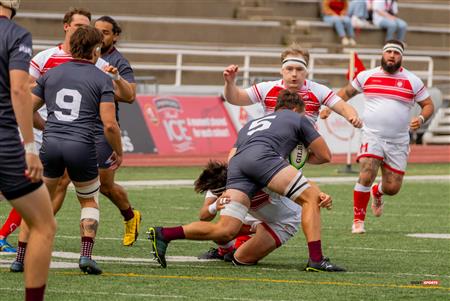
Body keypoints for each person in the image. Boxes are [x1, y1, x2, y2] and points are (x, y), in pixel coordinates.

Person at [148, 90, 345, 272]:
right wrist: (299, 157)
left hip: (238, 164)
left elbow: (233, 156)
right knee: (310, 197)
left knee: (225, 231)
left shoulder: (250, 125)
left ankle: (165, 234)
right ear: (296, 110)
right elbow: (325, 155)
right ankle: (316, 260)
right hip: (265, 159)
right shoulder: (297, 118)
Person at [31, 25, 121, 274]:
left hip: (51, 144)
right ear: (96, 50)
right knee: (89, 200)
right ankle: (86, 256)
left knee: (41, 201)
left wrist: (47, 127)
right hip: (81, 145)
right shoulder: (101, 78)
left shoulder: (52, 74)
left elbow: (26, 108)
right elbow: (110, 125)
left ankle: (20, 257)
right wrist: (119, 151)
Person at [322, 40, 434, 233]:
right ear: (383, 54)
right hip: (371, 134)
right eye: (388, 52)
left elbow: (428, 104)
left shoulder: (412, 80)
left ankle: (377, 191)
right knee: (367, 171)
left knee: (392, 188)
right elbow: (347, 92)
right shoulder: (367, 76)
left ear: (401, 57)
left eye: (396, 53)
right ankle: (358, 220)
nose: (392, 56)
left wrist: (422, 118)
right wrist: (329, 108)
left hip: (398, 140)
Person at [0, 0, 56, 299]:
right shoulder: (15, 34)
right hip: (5, 143)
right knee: (44, 225)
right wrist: (30, 147)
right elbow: (20, 90)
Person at [223, 43, 362, 128]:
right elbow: (235, 98)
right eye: (289, 69)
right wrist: (229, 83)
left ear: (306, 72)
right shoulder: (267, 88)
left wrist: (352, 117)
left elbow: (344, 107)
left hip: (301, 145)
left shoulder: (318, 90)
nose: (294, 74)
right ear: (282, 71)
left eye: (299, 69)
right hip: (272, 143)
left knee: (323, 155)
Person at [194, 160, 303, 265]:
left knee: (240, 258)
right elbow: (203, 216)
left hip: (280, 220)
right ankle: (225, 251)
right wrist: (214, 206)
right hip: (253, 215)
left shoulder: (255, 179)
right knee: (218, 232)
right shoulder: (219, 184)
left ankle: (245, 245)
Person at [94, 16, 141, 246]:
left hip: (103, 126)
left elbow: (130, 95)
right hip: (77, 125)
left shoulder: (118, 62)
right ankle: (36, 231)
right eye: (97, 31)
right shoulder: (81, 52)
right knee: (60, 180)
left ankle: (131, 217)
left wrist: (109, 83)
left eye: (106, 32)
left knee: (105, 186)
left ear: (115, 36)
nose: (101, 35)